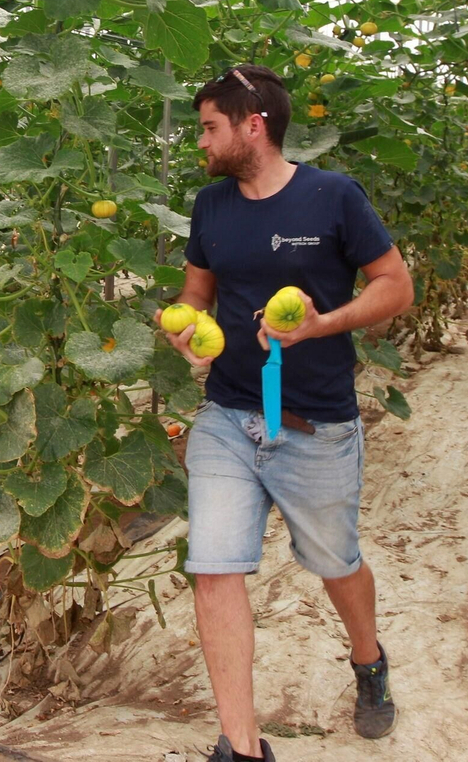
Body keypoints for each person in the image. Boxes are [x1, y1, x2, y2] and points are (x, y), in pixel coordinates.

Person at [155, 65, 414, 762]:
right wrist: (189, 331)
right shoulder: (211, 206)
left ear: (253, 125)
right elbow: (197, 293)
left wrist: (322, 324)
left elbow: (396, 285)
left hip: (316, 424)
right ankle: (241, 745)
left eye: (210, 127)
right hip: (229, 417)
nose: (202, 141)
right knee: (214, 566)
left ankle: (368, 660)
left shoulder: (333, 197)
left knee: (336, 563)